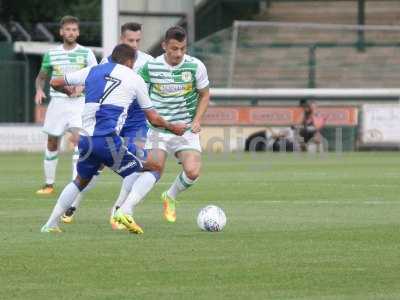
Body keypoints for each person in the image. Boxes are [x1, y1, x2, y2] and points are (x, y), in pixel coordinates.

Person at [40, 44, 186, 234]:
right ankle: (124, 210)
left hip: (85, 140)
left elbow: (55, 82)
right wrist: (174, 127)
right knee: (155, 166)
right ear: (130, 61)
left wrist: (71, 93)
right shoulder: (134, 78)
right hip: (108, 140)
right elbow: (153, 118)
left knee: (80, 180)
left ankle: (50, 224)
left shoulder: (92, 70)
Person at [112, 26, 210, 223]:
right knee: (154, 168)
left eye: (183, 48)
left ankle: (170, 196)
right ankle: (124, 209)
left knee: (193, 172)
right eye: (174, 48)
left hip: (185, 130)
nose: (179, 53)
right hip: (158, 130)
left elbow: (205, 94)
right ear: (164, 46)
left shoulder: (196, 66)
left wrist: (198, 120)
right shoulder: (150, 68)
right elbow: (137, 94)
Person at [61, 22, 153, 227]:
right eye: (130, 40)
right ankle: (73, 205)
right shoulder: (107, 61)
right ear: (122, 40)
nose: (135, 44)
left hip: (135, 120)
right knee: (98, 163)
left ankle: (118, 210)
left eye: (138, 40)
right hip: (111, 119)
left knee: (136, 164)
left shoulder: (149, 62)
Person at [35, 15, 97, 195]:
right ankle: (48, 185)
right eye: (68, 29)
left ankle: (75, 184)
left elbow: (96, 74)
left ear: (78, 33)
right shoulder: (51, 54)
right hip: (58, 103)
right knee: (52, 141)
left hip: (79, 103)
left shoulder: (86, 53)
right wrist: (39, 90)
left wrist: (82, 87)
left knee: (80, 141)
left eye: (74, 30)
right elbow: (41, 76)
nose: (71, 32)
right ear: (61, 31)